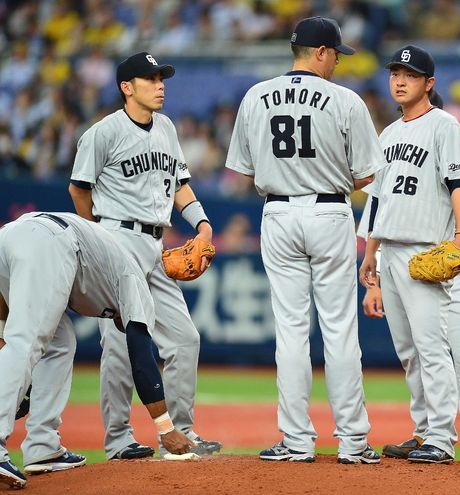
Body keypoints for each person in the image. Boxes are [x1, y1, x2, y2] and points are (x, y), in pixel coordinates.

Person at [225, 17, 385, 464]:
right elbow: (368, 177)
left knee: (290, 331)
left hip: (277, 212)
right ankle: (353, 441)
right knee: (339, 330)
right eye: (335, 54)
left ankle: (296, 440)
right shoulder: (345, 100)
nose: (337, 62)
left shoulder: (255, 96)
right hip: (330, 211)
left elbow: (245, 170)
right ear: (320, 52)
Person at [68, 52, 219, 460]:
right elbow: (78, 188)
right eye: (150, 79)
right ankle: (118, 439)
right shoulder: (103, 132)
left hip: (156, 244)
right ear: (126, 87)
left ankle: (181, 433)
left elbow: (180, 185)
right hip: (116, 238)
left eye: (161, 78)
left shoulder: (166, 128)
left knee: (184, 339)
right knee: (120, 345)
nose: (160, 85)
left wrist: (202, 224)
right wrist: (97, 239)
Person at [358, 95, 460, 457]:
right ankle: (426, 432)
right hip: (414, 269)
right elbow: (382, 214)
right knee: (415, 355)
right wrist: (375, 276)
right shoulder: (397, 154)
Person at [0, 212, 195, 490]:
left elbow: (5, 297)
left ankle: (42, 445)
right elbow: (141, 358)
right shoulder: (137, 286)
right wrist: (166, 428)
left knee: (59, 342)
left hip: (11, 235)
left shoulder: (113, 268)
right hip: (51, 240)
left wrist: (3, 340)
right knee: (27, 340)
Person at [359, 45, 460, 464]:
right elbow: (378, 200)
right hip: (388, 249)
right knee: (409, 353)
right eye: (395, 73)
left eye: (410, 74)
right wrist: (370, 254)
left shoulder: (445, 125)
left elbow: (459, 184)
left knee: (431, 347)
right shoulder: (387, 135)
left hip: (425, 251)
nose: (400, 81)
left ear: (429, 83)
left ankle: (442, 438)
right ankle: (423, 430)